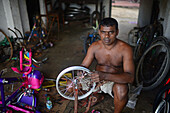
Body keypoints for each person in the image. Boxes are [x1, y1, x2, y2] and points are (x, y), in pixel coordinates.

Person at [81, 17, 135, 113]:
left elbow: (130, 78)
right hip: (96, 78)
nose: (106, 36)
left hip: (113, 80)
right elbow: (83, 67)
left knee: (122, 90)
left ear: (117, 32)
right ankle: (97, 95)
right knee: (71, 85)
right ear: (99, 32)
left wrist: (104, 76)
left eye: (111, 32)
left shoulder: (125, 49)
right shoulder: (94, 46)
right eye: (103, 32)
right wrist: (80, 73)